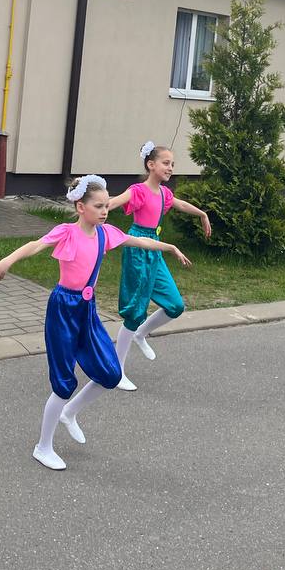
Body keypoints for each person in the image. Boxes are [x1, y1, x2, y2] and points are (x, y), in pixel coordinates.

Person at [0, 175, 191, 471]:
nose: (105, 211)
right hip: (63, 309)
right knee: (64, 383)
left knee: (111, 374)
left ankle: (70, 413)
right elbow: (34, 245)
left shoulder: (106, 234)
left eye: (106, 206)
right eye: (98, 206)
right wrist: (5, 263)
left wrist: (168, 247)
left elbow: (137, 240)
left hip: (87, 311)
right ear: (80, 207)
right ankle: (43, 446)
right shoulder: (67, 232)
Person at [97, 140, 211, 392]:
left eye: (172, 164)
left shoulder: (165, 194)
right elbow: (113, 203)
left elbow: (179, 204)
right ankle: (117, 371)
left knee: (175, 305)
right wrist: (95, 212)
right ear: (151, 165)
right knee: (134, 311)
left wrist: (203, 214)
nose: (170, 168)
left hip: (155, 248)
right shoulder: (138, 190)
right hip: (139, 247)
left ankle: (141, 334)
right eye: (166, 163)